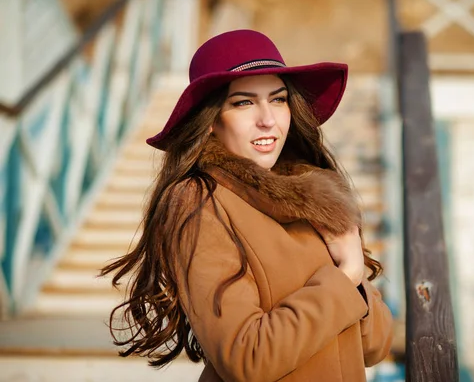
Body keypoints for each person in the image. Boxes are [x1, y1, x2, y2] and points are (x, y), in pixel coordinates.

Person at [101, 29, 393, 382]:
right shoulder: (198, 202)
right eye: (244, 102)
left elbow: (375, 347)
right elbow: (247, 360)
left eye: (279, 99)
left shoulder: (316, 199)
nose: (267, 119)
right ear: (209, 121)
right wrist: (345, 275)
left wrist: (355, 266)